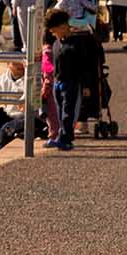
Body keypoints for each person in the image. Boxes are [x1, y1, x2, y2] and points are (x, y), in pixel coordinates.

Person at [46, 9, 101, 150]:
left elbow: (84, 66)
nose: (54, 34)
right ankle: (61, 135)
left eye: (55, 31)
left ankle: (66, 138)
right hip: (58, 82)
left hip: (72, 82)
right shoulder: (57, 43)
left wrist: (86, 85)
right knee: (59, 111)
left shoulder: (77, 43)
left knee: (68, 112)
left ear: (64, 27)